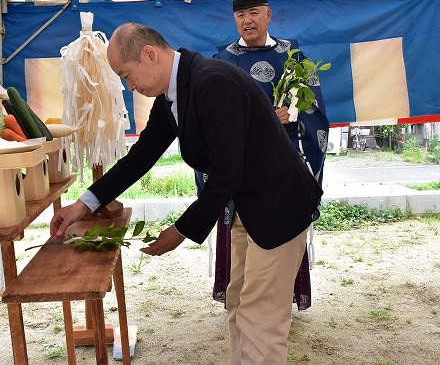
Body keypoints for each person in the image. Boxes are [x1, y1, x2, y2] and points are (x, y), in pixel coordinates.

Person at [50, 22, 323, 364]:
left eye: (127, 74)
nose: (128, 85)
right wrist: (84, 203)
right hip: (249, 207)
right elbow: (142, 156)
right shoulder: (174, 94)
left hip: (278, 207)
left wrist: (180, 230)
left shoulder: (213, 82)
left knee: (262, 316)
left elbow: (226, 173)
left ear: (149, 54)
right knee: (239, 302)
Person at [200, 0, 330, 310]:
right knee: (243, 244)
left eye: (254, 12)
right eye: (240, 14)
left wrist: (294, 111)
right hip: (240, 173)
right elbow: (210, 120)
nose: (247, 20)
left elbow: (315, 109)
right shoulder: (222, 61)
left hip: (282, 168)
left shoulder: (294, 56)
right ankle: (242, 303)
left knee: (284, 233)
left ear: (268, 14)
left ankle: (280, 299)